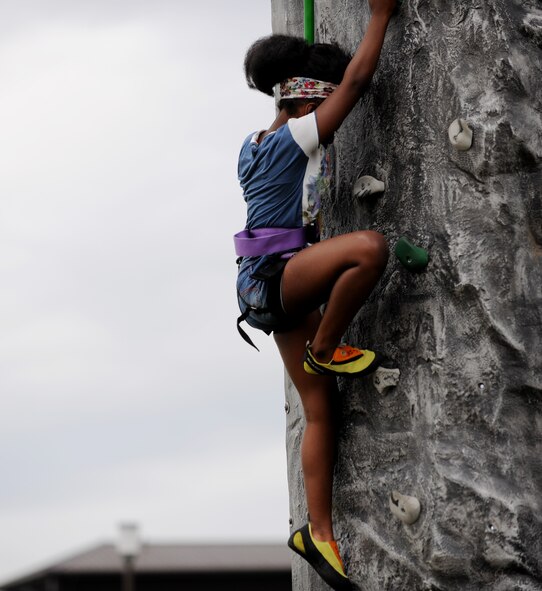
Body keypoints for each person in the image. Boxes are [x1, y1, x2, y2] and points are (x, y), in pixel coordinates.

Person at [234, 2, 396, 589]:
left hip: (264, 288)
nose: (330, 119)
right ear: (304, 103)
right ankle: (326, 346)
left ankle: (318, 533)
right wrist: (380, 16)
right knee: (370, 249)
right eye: (320, 108)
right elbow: (355, 82)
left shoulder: (252, 144)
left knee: (320, 411)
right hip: (279, 278)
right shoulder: (292, 137)